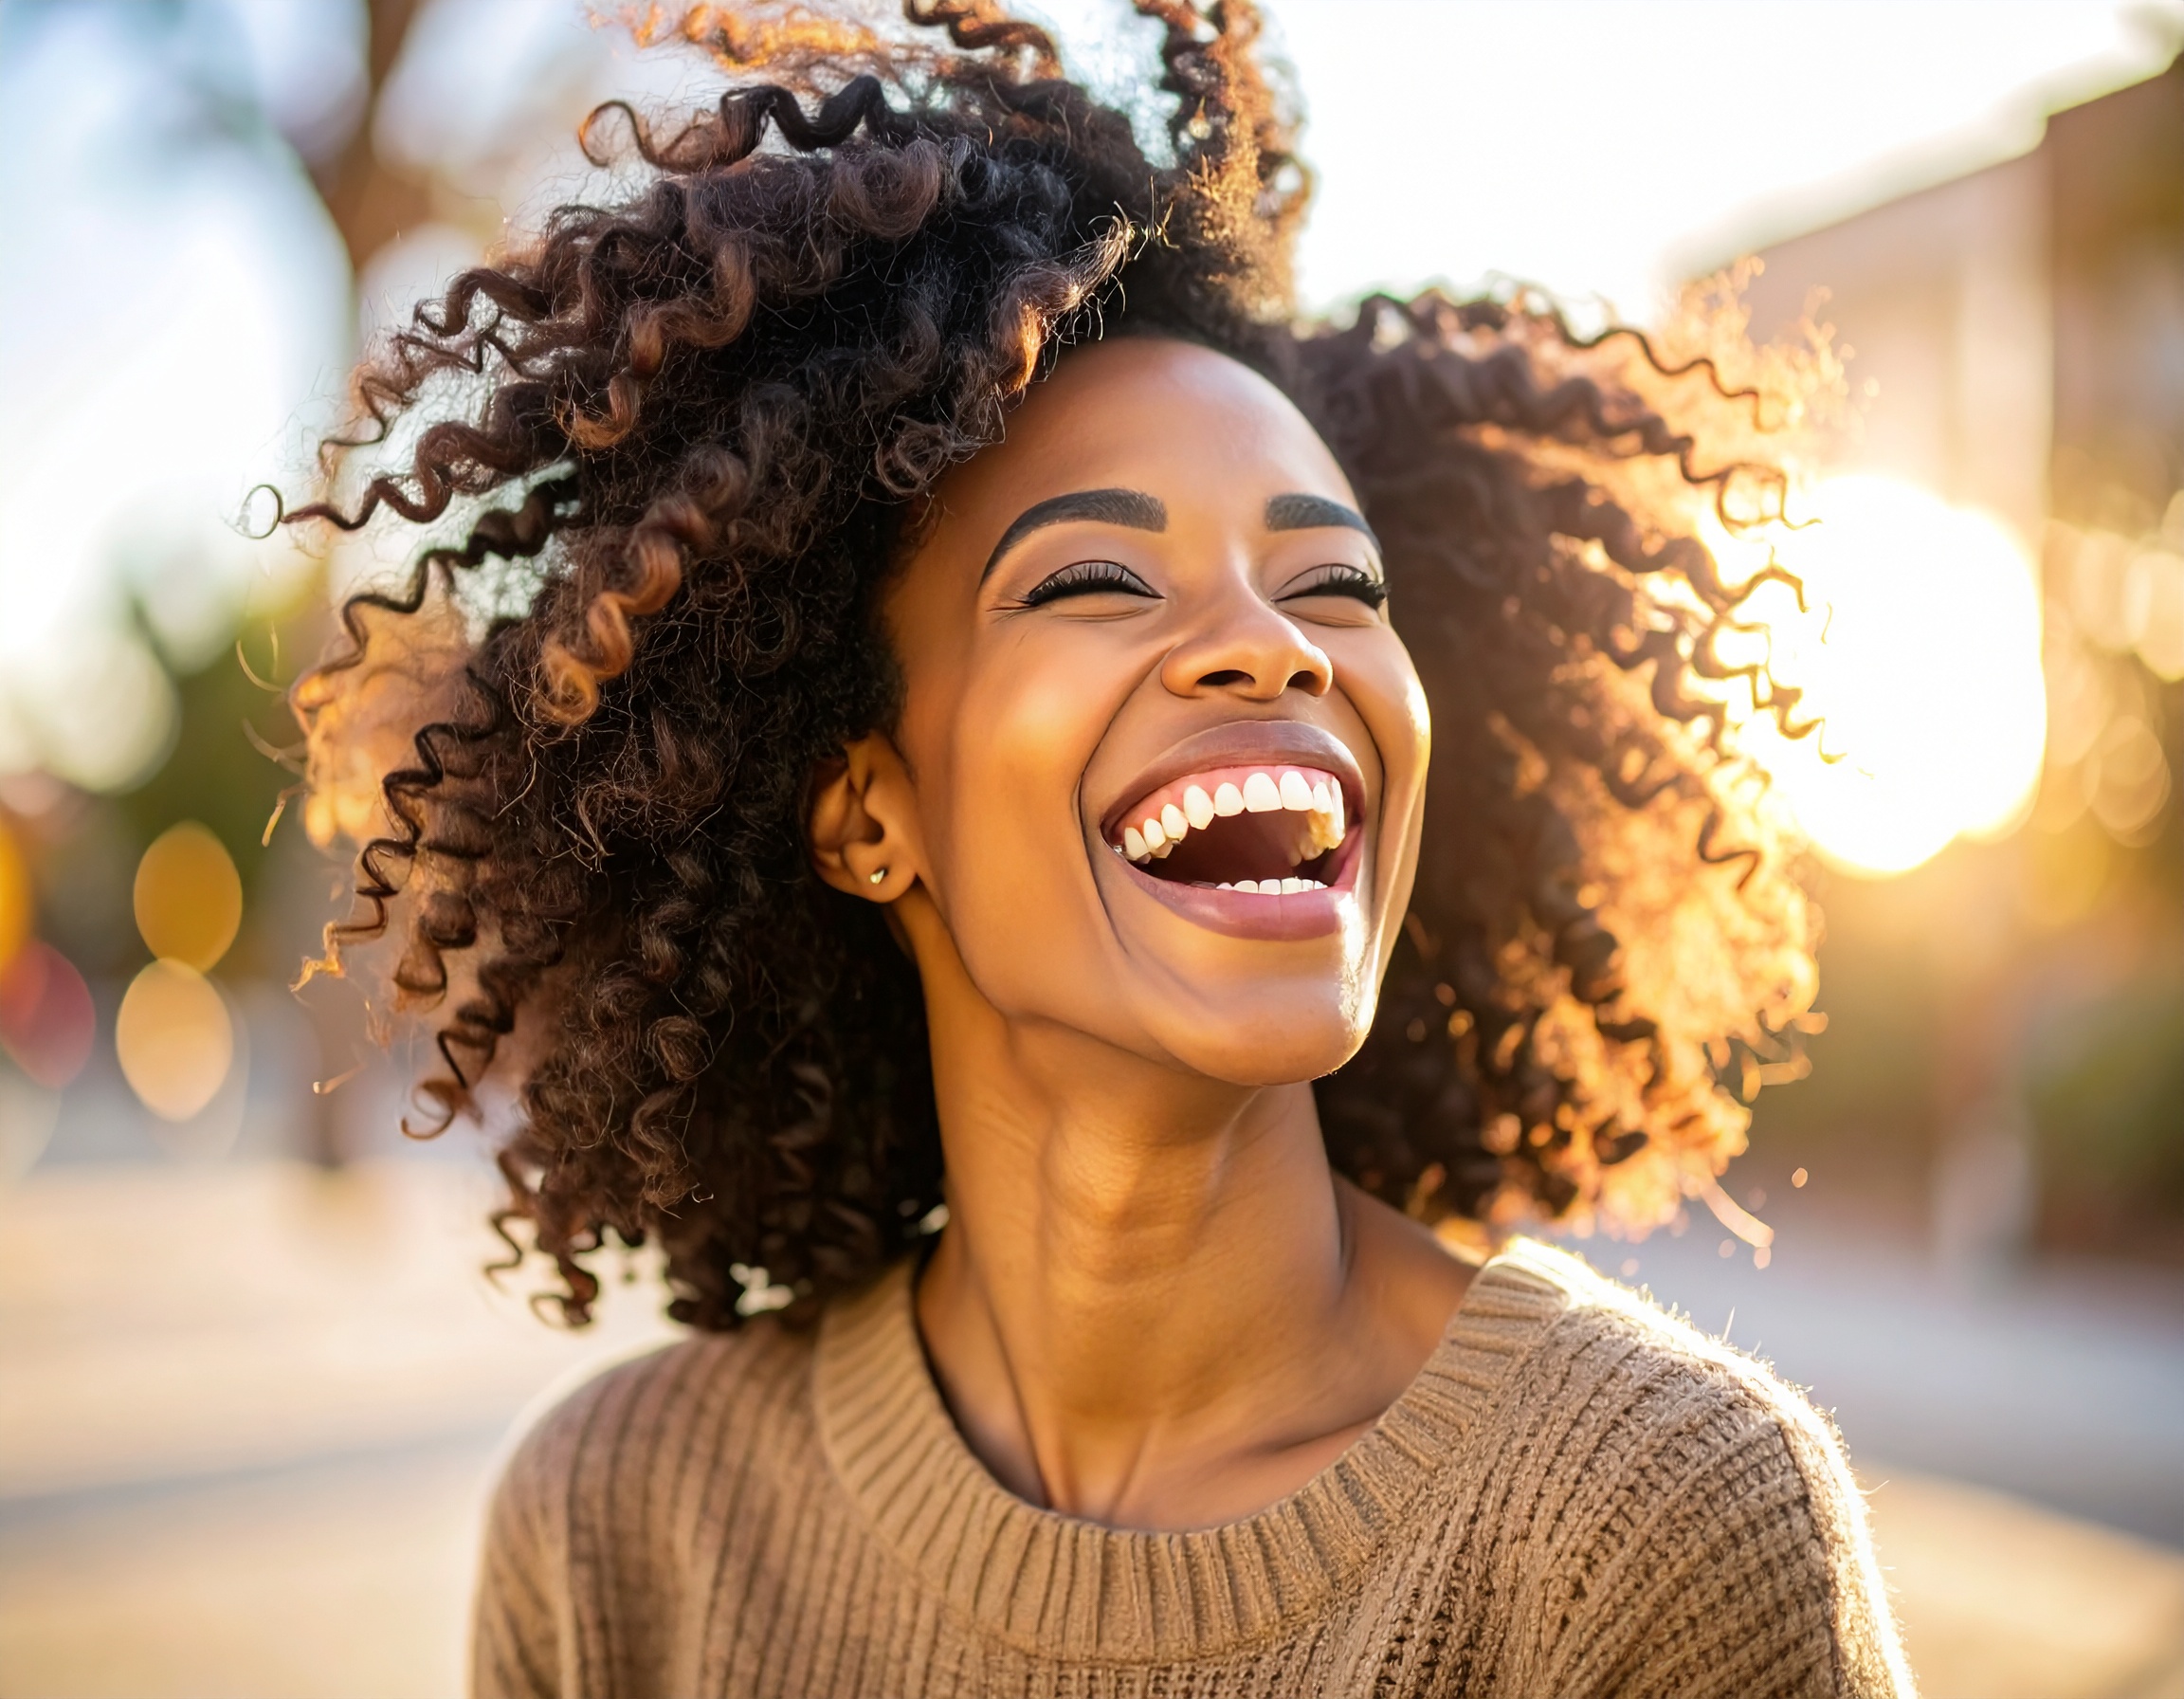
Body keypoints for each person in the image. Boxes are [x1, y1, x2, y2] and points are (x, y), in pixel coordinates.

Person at [286, 4, 1910, 1694]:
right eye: (1093, 580)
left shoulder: (1650, 1529)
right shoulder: (618, 1528)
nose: (1274, 648)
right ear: (867, 814)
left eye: (1335, 586)